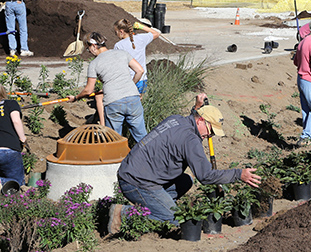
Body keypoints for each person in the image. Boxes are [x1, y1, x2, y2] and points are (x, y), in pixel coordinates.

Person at [109, 93, 261, 231]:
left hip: (135, 171)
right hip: (136, 182)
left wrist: (196, 108)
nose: (210, 136)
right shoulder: (191, 140)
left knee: (186, 180)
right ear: (201, 120)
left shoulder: (177, 119)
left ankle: (161, 205)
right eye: (211, 130)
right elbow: (205, 176)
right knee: (174, 220)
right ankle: (123, 213)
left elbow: (191, 121)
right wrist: (238, 174)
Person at [69, 32, 147, 142]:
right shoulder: (122, 53)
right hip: (133, 98)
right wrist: (130, 85)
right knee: (143, 138)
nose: (90, 52)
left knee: (114, 140)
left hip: (113, 102)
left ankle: (119, 158)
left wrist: (76, 97)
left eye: (88, 49)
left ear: (94, 46)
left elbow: (88, 90)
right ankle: (151, 157)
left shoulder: (94, 64)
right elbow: (140, 71)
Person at [113, 18, 161, 94]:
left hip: (129, 80)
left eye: (116, 32)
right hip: (142, 79)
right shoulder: (141, 38)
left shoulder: (119, 45)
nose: (116, 35)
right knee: (139, 101)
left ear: (121, 32)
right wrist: (141, 27)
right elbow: (156, 33)